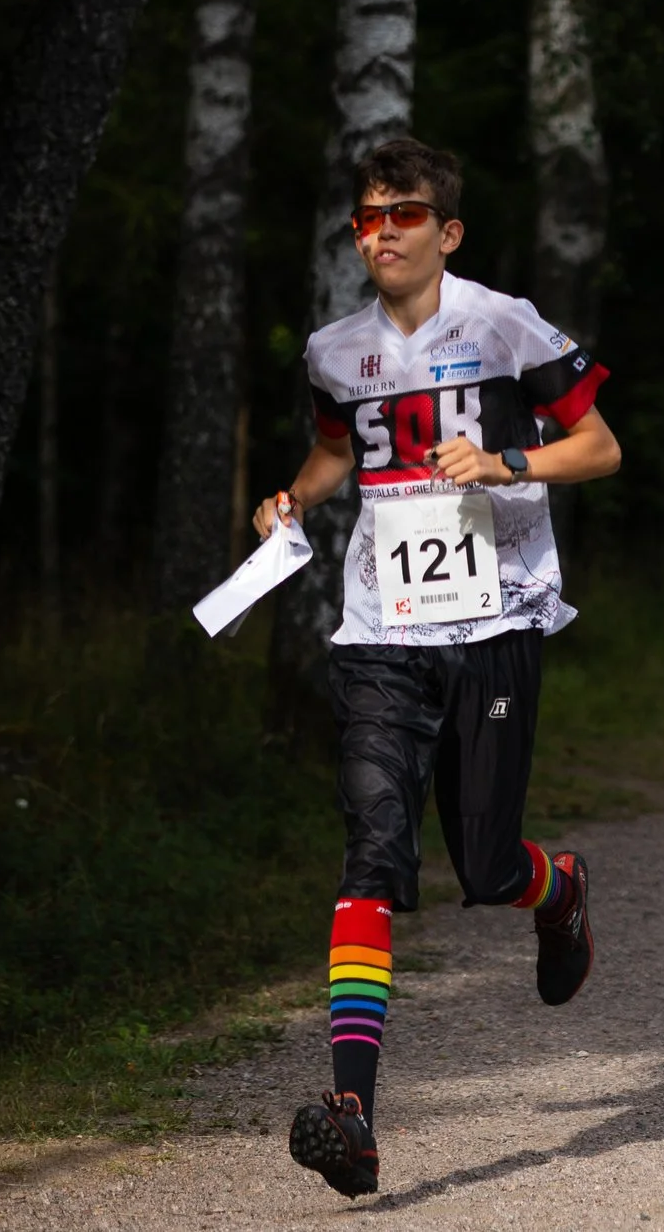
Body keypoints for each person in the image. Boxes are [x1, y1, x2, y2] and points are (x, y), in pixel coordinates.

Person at [252, 139, 621, 1198]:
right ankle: (352, 1111)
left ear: (445, 230)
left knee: (486, 864)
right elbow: (337, 452)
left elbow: (598, 445)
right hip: (380, 629)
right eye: (366, 218)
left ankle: (557, 890)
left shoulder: (504, 322)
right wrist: (294, 498)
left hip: (493, 619)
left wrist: (508, 459)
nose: (382, 234)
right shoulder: (333, 349)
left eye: (403, 215)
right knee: (371, 851)